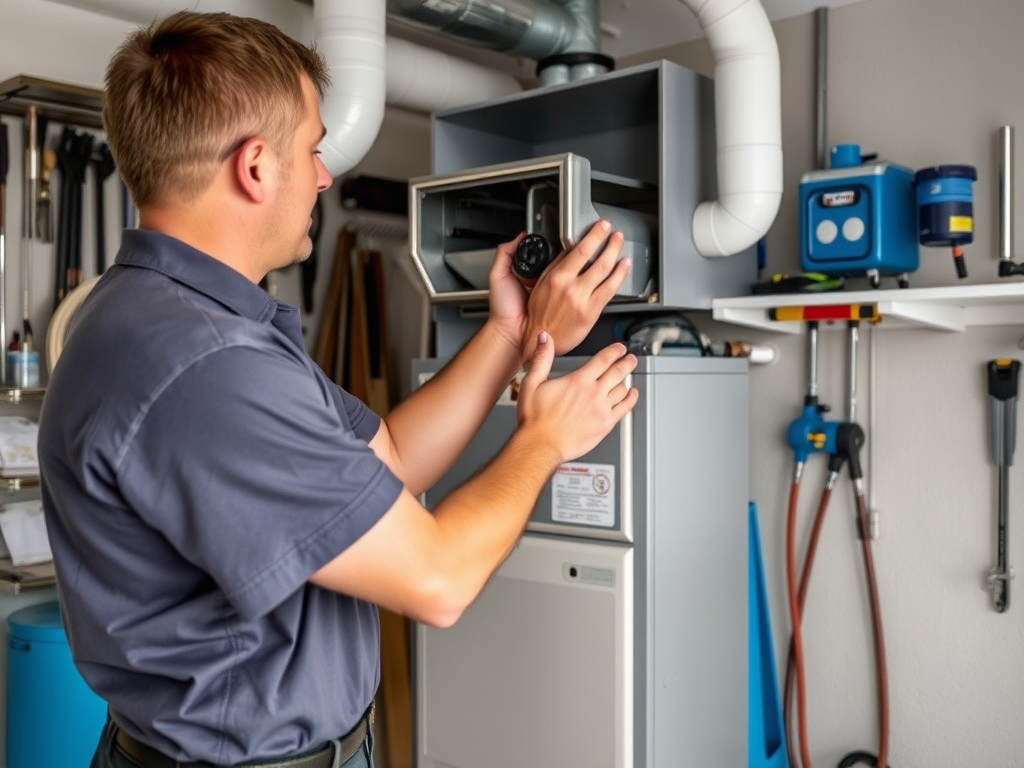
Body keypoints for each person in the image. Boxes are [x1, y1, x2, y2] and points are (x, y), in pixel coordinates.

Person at [36, 10, 638, 768]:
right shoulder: (206, 366)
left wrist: (509, 335)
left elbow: (385, 461)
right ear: (255, 167)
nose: (324, 175)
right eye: (313, 150)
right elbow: (439, 579)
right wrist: (545, 438)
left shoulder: (170, 316)